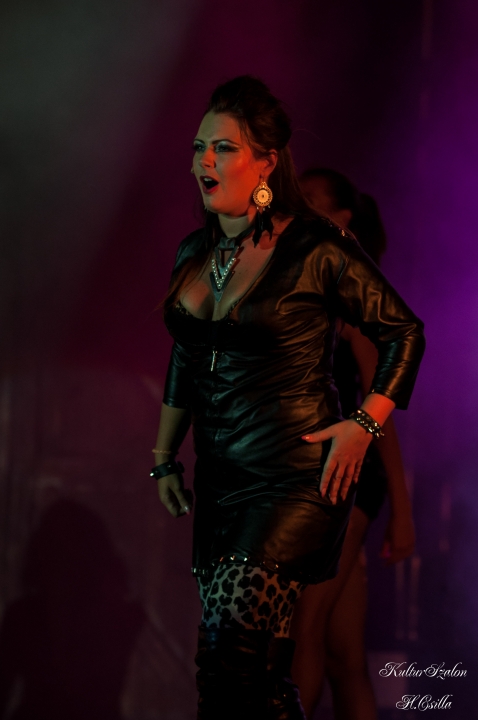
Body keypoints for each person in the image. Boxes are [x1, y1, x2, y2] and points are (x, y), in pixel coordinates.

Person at [152, 76, 425, 720]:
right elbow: (186, 356)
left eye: (224, 148)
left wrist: (363, 423)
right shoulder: (196, 251)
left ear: (267, 162)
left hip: (294, 477)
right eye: (198, 148)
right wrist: (164, 455)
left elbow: (404, 333)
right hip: (220, 481)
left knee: (230, 654)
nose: (204, 161)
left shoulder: (315, 246)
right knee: (252, 677)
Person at [289, 169, 415, 720]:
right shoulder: (306, 283)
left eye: (312, 200)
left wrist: (403, 513)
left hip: (348, 478)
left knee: (302, 627)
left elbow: (381, 412)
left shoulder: (355, 297)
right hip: (315, 476)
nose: (299, 206)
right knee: (342, 652)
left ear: (343, 219)